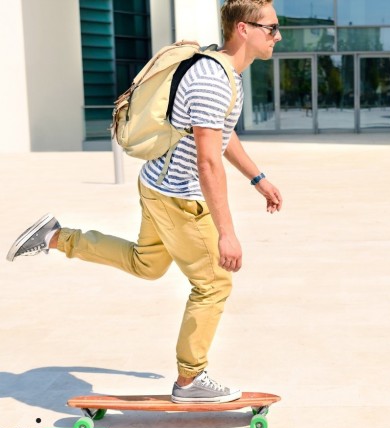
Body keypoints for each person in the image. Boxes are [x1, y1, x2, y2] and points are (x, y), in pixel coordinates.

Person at [6, 0, 283, 404]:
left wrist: (257, 178)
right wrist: (227, 233)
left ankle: (56, 237)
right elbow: (207, 161)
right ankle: (191, 381)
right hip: (179, 197)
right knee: (213, 282)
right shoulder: (213, 79)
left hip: (157, 184)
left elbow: (222, 133)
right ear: (244, 29)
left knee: (146, 263)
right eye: (272, 28)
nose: (277, 36)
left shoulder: (226, 72)